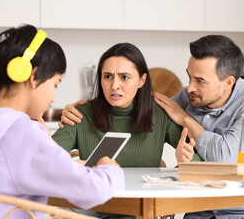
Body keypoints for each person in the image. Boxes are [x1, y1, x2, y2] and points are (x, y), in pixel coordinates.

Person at [61, 35, 244, 219]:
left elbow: (226, 156)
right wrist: (75, 113)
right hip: (202, 210)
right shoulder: (188, 97)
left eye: (200, 81)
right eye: (107, 76)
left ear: (228, 82)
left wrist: (186, 123)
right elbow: (150, 112)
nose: (188, 88)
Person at [0, 24, 124, 219]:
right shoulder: (20, 134)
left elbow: (7, 168)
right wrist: (110, 168)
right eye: (55, 84)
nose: (53, 98)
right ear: (33, 76)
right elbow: (93, 191)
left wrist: (47, 147)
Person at [52, 42, 201, 168]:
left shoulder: (159, 115)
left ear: (141, 81)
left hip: (145, 200)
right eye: (107, 76)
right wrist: (79, 166)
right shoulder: (79, 115)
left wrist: (184, 163)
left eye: (124, 77)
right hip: (97, 200)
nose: (114, 85)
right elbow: (42, 160)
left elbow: (198, 161)